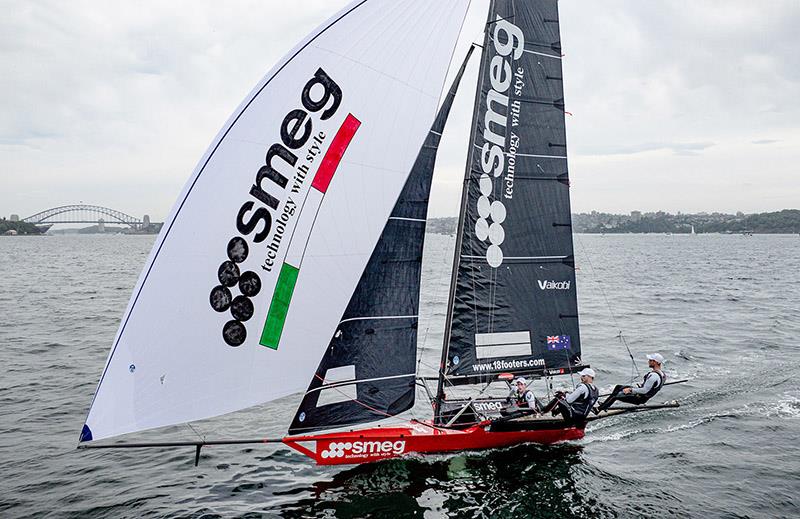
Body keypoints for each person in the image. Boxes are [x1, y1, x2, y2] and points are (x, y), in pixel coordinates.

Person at [596, 353, 666, 413]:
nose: (648, 362)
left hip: (640, 398)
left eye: (650, 360)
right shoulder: (662, 374)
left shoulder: (653, 376)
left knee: (616, 396)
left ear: (656, 362)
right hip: (641, 394)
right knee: (619, 387)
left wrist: (630, 390)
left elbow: (645, 390)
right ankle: (606, 405)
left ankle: (599, 409)